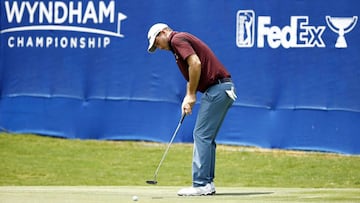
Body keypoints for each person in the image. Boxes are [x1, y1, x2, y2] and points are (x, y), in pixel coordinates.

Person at [147, 23, 237, 196]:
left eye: (156, 42)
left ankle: (201, 183)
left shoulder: (177, 39)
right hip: (221, 89)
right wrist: (188, 97)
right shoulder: (177, 46)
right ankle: (207, 184)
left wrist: (191, 95)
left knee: (201, 135)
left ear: (163, 32)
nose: (158, 47)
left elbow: (195, 64)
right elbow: (192, 72)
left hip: (217, 89)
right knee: (206, 137)